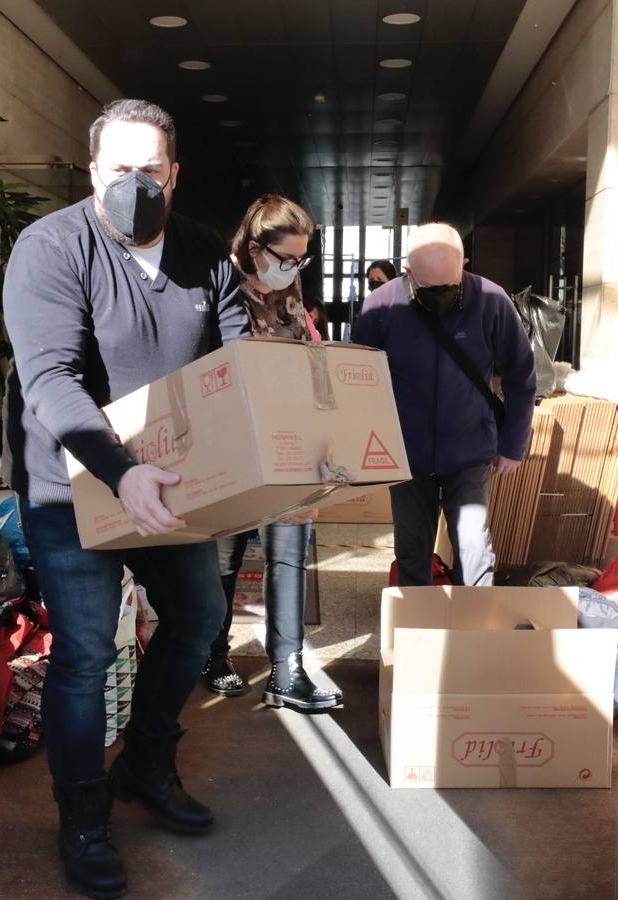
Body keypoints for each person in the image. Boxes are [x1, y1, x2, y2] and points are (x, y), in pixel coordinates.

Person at [2, 99, 248, 899]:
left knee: (198, 621)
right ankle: (82, 816)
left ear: (172, 174)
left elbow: (237, 359)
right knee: (84, 655)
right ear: (92, 171)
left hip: (172, 479)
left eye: (150, 171)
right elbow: (50, 380)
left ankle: (144, 764)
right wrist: (120, 469)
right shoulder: (51, 249)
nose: (134, 185)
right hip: (72, 487)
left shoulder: (205, 250)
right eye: (118, 170)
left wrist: (283, 459)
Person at [200, 195, 345, 712]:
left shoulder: (291, 290)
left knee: (289, 554)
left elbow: (306, 350)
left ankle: (288, 669)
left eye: (301, 260)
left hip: (288, 446)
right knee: (224, 558)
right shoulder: (217, 286)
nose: (292, 270)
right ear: (255, 247)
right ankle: (214, 656)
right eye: (286, 259)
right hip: (230, 449)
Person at [353, 224, 536, 588]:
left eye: (449, 287)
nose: (440, 296)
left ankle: (474, 635)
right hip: (406, 454)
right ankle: (415, 633)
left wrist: (513, 445)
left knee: (473, 551)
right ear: (408, 272)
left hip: (470, 449)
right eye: (427, 288)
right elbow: (357, 381)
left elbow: (521, 375)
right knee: (411, 549)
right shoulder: (381, 306)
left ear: (464, 264)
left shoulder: (492, 300)